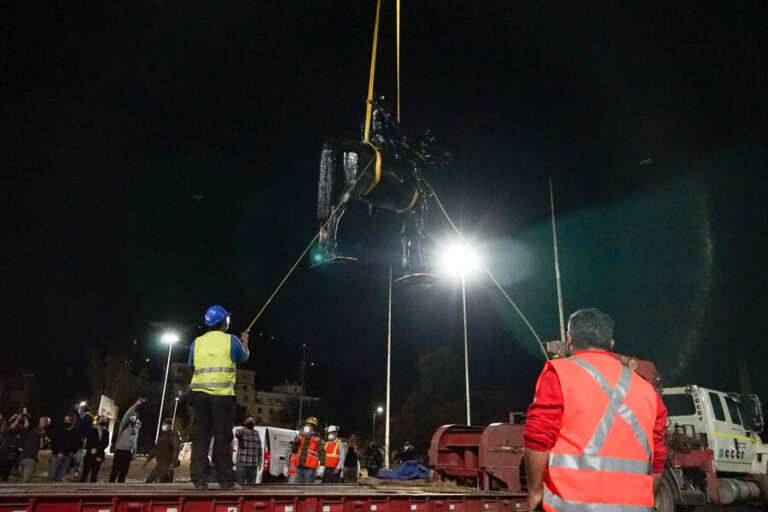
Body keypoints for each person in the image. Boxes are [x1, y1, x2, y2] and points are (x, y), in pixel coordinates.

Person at [524, 308, 668, 512]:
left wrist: (535, 493)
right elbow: (657, 459)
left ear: (569, 338)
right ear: (611, 344)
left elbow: (538, 438)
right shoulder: (647, 390)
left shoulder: (560, 374)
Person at [188, 305, 249, 491]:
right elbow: (244, 357)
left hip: (199, 396)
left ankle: (199, 480)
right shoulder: (232, 340)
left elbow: (191, 364)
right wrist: (245, 340)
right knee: (223, 438)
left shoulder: (197, 342)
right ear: (224, 322)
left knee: (200, 438)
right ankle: (225, 480)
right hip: (222, 397)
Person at [109, 398, 144, 483]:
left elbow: (135, 441)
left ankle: (120, 487)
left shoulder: (135, 429)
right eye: (133, 415)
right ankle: (110, 486)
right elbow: (127, 414)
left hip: (128, 453)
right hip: (120, 451)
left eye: (135, 416)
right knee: (115, 471)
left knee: (123, 473)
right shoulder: (123, 425)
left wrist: (134, 453)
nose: (134, 417)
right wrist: (136, 404)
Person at [144, 418, 180, 483]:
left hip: (167, 463)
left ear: (170, 425)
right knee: (150, 480)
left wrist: (172, 463)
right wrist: (148, 459)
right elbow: (155, 449)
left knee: (160, 480)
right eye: (163, 424)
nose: (164, 426)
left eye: (166, 424)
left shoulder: (173, 436)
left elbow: (176, 449)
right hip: (160, 463)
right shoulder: (162, 436)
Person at [291, 416, 325, 484]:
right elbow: (294, 450)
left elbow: (322, 453)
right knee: (296, 488)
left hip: (310, 469)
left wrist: (322, 466)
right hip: (299, 468)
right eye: (306, 425)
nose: (306, 427)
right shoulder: (301, 438)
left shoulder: (317, 439)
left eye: (308, 425)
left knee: (307, 488)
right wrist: (296, 441)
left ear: (313, 427)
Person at [49, 413, 81, 482]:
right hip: (57, 455)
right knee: (52, 474)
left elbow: (78, 444)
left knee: (62, 474)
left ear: (72, 421)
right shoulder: (59, 430)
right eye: (65, 420)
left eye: (68, 420)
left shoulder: (75, 432)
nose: (66, 422)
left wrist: (73, 452)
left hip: (68, 456)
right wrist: (58, 452)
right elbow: (53, 442)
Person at [19, 416, 50, 482]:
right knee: (26, 481)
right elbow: (41, 446)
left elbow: (26, 428)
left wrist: (25, 418)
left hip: (23, 457)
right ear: (46, 422)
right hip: (31, 458)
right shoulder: (42, 431)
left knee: (23, 478)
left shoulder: (33, 430)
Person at [0, 412, 30, 481]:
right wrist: (18, 418)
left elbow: (26, 427)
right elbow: (11, 428)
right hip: (5, 450)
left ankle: (5, 479)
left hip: (14, 450)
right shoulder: (5, 428)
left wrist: (25, 417)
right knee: (3, 465)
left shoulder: (19, 428)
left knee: (9, 467)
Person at [80, 415, 110, 482]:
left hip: (99, 455)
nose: (103, 421)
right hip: (90, 454)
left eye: (104, 420)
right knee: (85, 473)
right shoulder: (91, 430)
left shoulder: (106, 432)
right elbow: (89, 441)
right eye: (101, 419)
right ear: (98, 421)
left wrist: (97, 449)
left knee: (94, 474)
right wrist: (92, 449)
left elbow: (105, 443)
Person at [235, 415, 262, 484]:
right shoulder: (242, 431)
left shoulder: (256, 434)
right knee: (240, 484)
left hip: (253, 466)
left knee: (251, 486)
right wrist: (237, 433)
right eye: (249, 421)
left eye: (253, 421)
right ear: (245, 422)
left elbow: (259, 448)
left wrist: (260, 461)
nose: (251, 422)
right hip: (242, 465)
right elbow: (238, 434)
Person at [73, 401, 93, 478]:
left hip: (82, 440)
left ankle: (78, 473)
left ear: (84, 409)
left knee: (79, 458)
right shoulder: (78, 417)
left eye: (80, 408)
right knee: (74, 457)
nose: (79, 409)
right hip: (75, 439)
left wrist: (85, 439)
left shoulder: (88, 418)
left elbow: (89, 430)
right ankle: (74, 471)